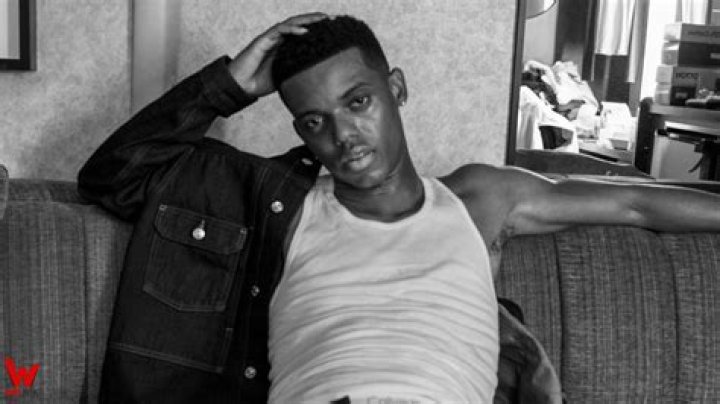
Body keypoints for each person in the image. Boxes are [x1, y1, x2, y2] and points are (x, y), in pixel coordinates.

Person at [78, 13, 720, 403]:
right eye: (315, 121)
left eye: (357, 102)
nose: (343, 136)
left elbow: (637, 203)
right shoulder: (280, 208)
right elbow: (112, 176)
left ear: (397, 89)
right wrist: (230, 87)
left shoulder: (478, 200)